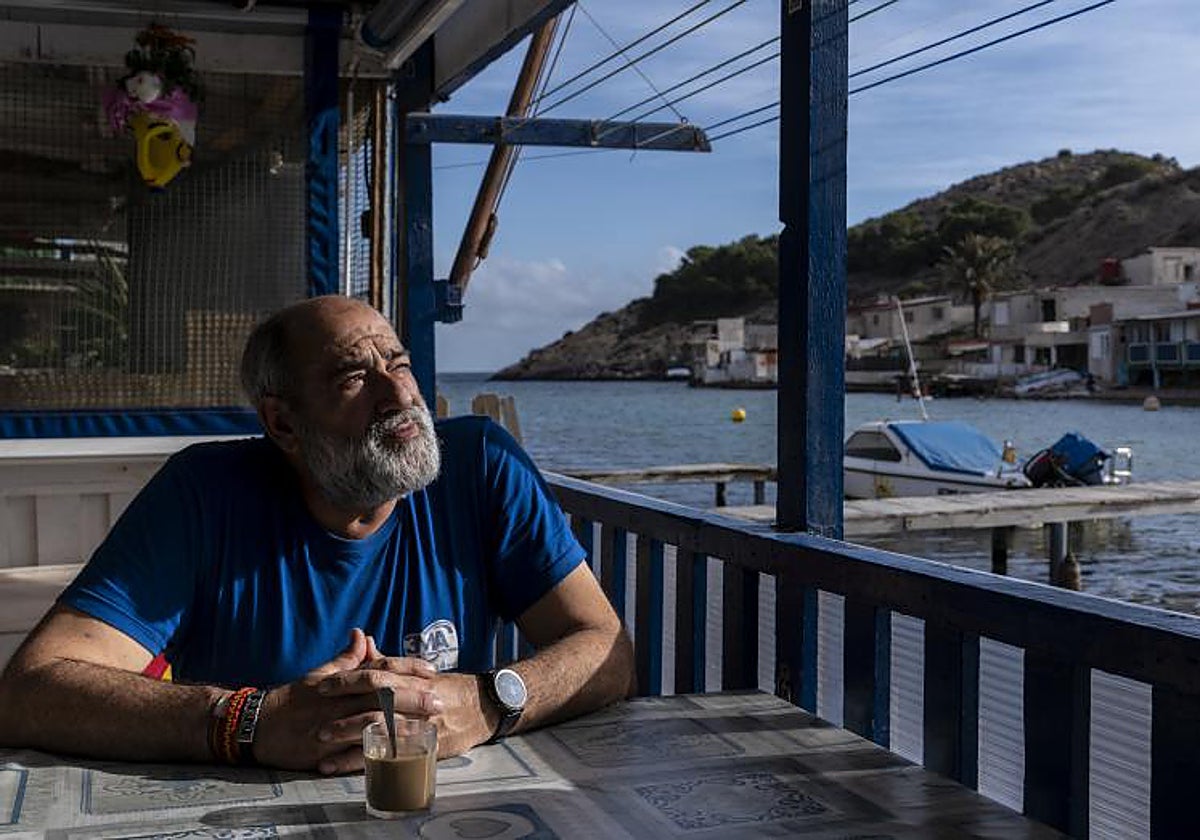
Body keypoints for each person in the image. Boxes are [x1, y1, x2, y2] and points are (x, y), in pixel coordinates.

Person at [0, 295, 634, 774]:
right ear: (283, 423)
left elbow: (606, 652)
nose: (399, 395)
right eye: (354, 378)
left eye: (400, 363)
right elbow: (30, 692)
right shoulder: (204, 493)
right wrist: (251, 721)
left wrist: (487, 702)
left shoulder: (482, 466)